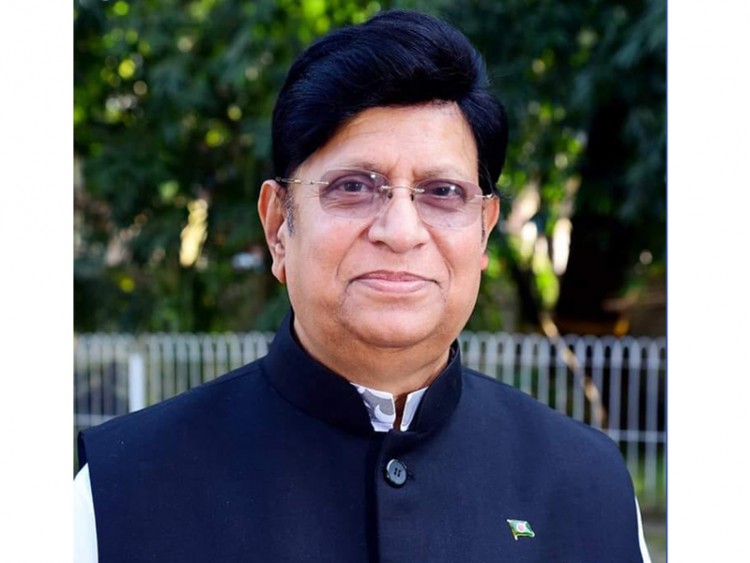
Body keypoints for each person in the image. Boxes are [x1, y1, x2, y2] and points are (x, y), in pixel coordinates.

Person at [74, 10, 652, 562]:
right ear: (278, 227)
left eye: (442, 192)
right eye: (353, 186)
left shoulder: (589, 486)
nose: (400, 231)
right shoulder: (118, 493)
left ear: (484, 230)